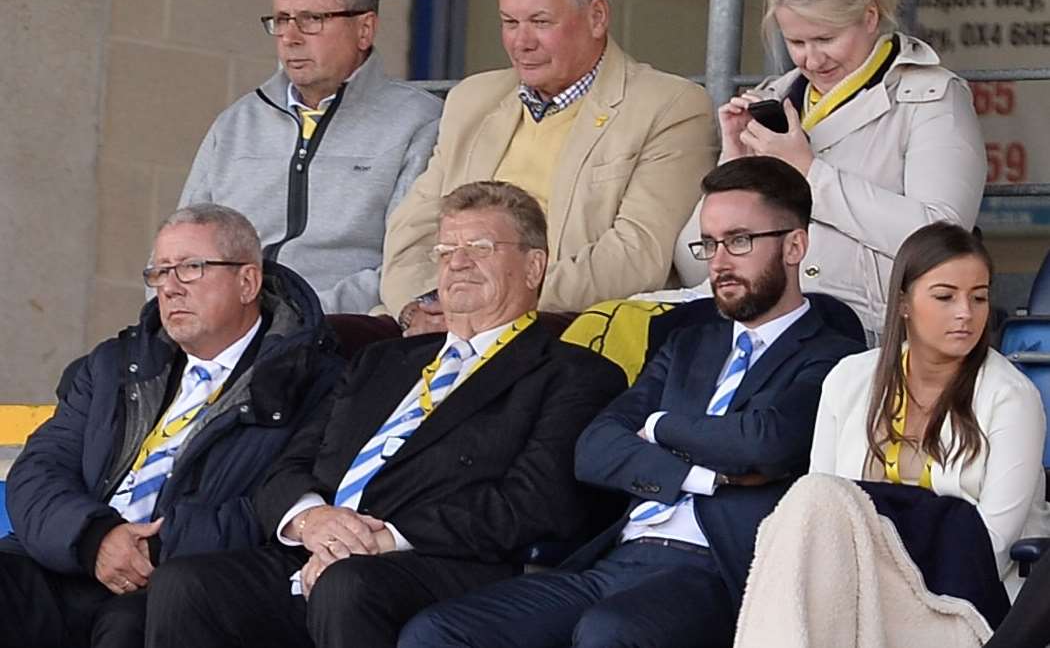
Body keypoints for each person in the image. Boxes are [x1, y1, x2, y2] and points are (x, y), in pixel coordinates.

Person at [399, 156, 863, 648]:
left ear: (795, 245)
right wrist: (701, 474)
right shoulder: (688, 344)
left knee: (609, 632)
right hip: (619, 558)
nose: (720, 262)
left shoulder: (833, 353)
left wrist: (659, 426)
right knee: (437, 632)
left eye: (740, 241)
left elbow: (765, 441)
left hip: (719, 571)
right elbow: (595, 447)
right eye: (708, 244)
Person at [144, 181, 628, 648]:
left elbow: (534, 504)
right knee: (186, 584)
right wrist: (311, 522)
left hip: (445, 562)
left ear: (533, 266)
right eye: (444, 251)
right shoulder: (385, 360)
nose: (457, 263)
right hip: (321, 552)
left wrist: (382, 539)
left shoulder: (573, 374)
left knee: (349, 586)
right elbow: (286, 468)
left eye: (480, 247)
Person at [0, 204, 345, 648]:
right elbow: (39, 470)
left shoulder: (311, 381)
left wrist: (152, 550)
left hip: (170, 574)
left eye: (191, 268)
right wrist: (94, 537)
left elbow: (273, 504)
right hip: (74, 555)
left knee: (128, 627)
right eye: (160, 272)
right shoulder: (114, 364)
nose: (170, 289)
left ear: (247, 282)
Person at [644, 0, 986, 343]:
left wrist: (811, 173)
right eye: (796, 43)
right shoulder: (777, 98)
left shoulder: (932, 98)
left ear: (869, 16)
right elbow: (695, 267)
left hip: (862, 330)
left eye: (825, 39)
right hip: (750, 318)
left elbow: (944, 242)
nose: (811, 59)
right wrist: (733, 165)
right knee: (604, 328)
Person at [382, 0, 717, 333]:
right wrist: (416, 306)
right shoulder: (472, 99)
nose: (521, 42)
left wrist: (492, 306)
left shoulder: (670, 106)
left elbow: (636, 257)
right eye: (509, 22)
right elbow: (411, 230)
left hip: (558, 330)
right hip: (440, 323)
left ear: (597, 17)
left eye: (540, 22)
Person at [732, 222, 1050, 648]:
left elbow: (992, 546)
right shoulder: (849, 378)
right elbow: (820, 505)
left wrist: (881, 585)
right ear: (903, 303)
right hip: (852, 591)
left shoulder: (1011, 396)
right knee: (812, 500)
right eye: (945, 296)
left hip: (952, 599)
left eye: (979, 297)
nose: (966, 313)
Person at [179, 0, 442, 314]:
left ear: (364, 29)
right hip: (227, 331)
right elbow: (181, 249)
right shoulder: (236, 124)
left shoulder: (418, 122)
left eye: (311, 19)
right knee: (92, 371)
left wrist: (300, 320)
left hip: (341, 337)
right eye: (282, 19)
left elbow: (406, 263)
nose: (290, 36)